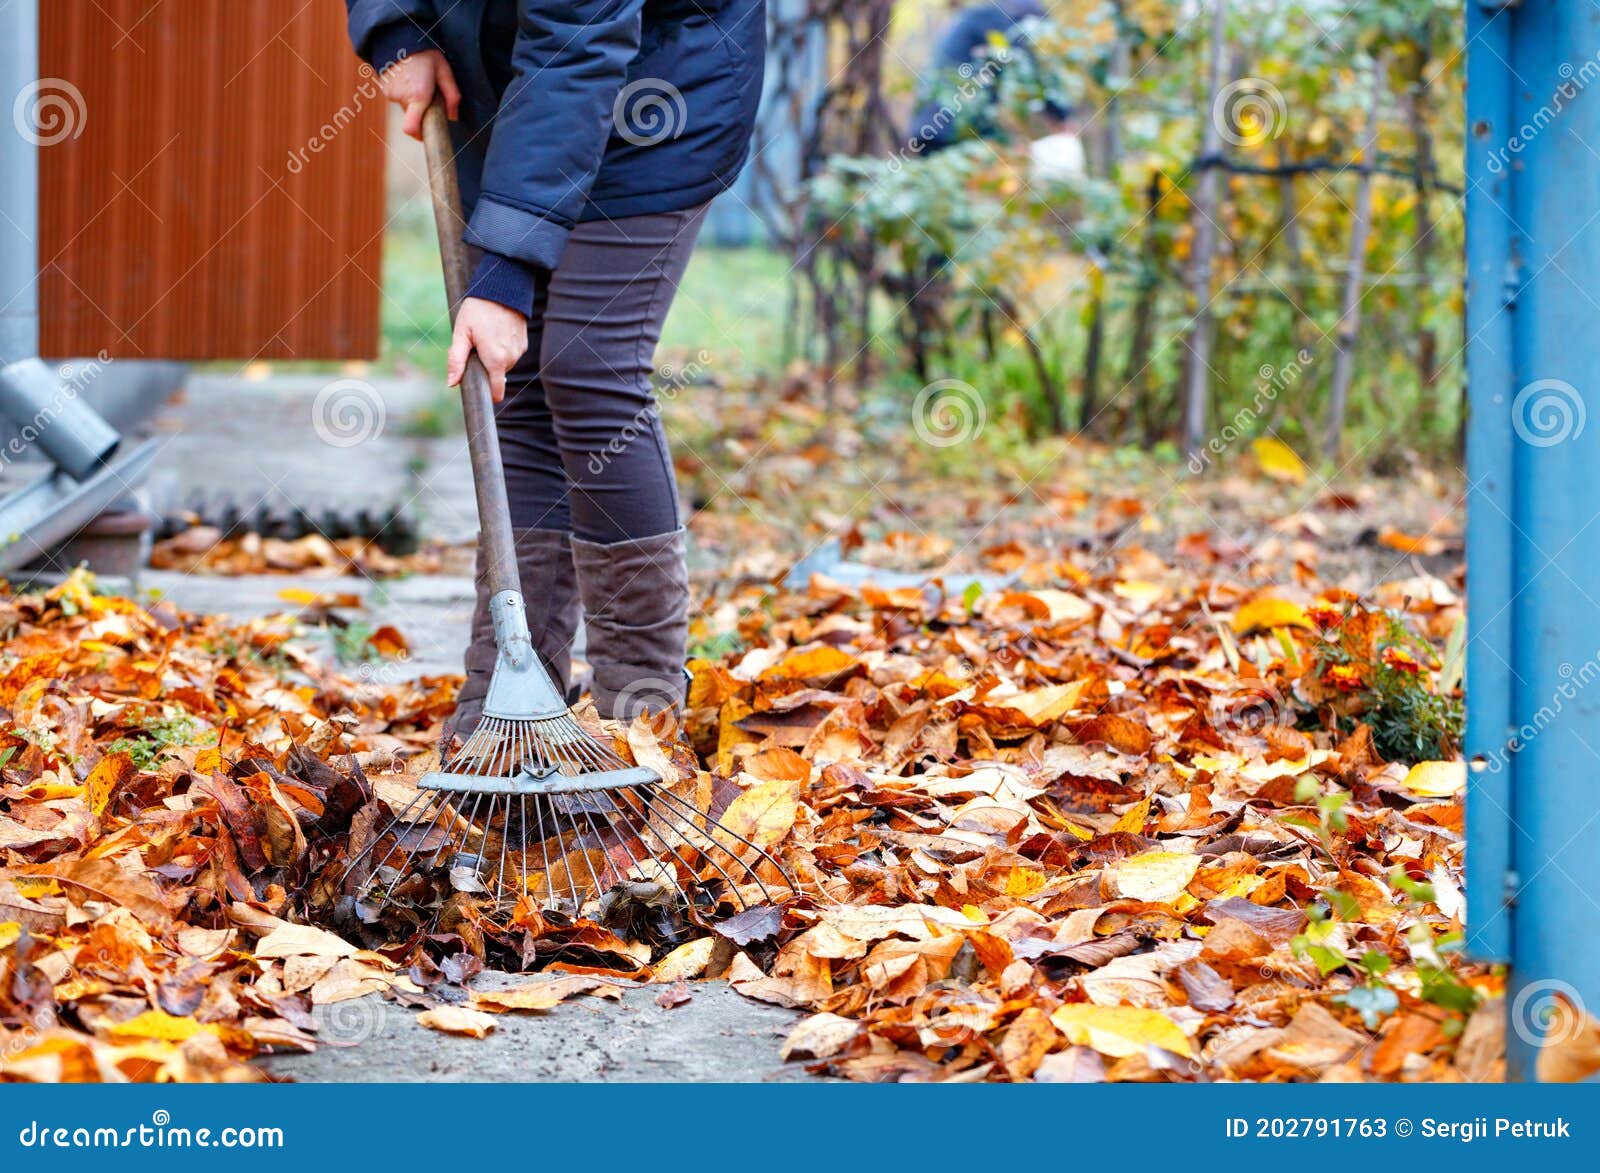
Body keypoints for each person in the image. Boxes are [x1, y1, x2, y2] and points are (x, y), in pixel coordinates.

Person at [343, 1, 765, 739]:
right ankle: (503, 711)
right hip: (513, 83)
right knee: (524, 384)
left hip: (659, 83)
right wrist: (393, 27)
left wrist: (506, 274)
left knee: (587, 361)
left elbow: (577, 40)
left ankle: (641, 714)